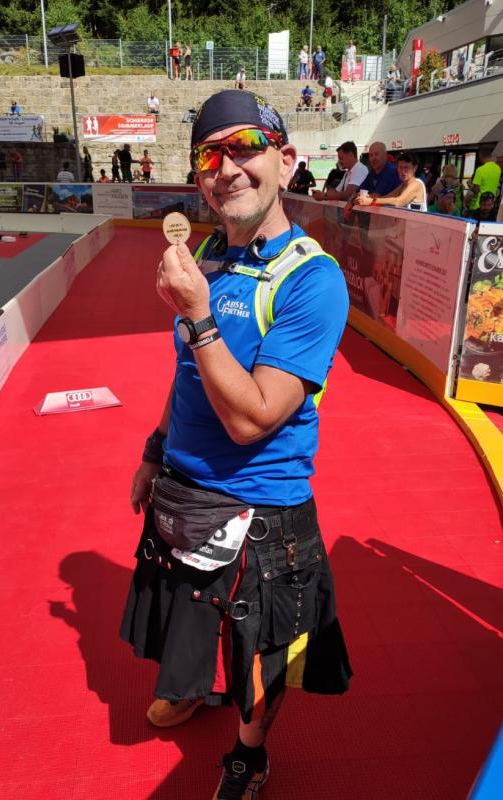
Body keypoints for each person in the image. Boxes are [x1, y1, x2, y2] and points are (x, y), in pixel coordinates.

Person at [120, 88, 352, 800]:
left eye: (246, 147)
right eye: (208, 156)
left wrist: (197, 316)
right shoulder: (209, 254)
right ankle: (193, 688)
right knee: (189, 619)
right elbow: (187, 373)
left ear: (286, 160)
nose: (226, 169)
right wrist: (154, 449)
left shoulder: (313, 279)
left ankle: (250, 754)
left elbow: (253, 419)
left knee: (258, 654)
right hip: (182, 490)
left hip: (262, 512)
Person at [355, 151, 428, 211]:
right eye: (400, 167)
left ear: (415, 168)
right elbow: (385, 198)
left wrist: (371, 201)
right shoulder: (403, 185)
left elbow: (399, 202)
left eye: (406, 167)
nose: (403, 171)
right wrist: (369, 198)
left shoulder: (416, 184)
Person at [468, 146, 501, 211]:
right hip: (490, 205)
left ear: (480, 155)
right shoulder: (498, 169)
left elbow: (476, 190)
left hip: (478, 205)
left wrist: (469, 184)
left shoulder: (480, 170)